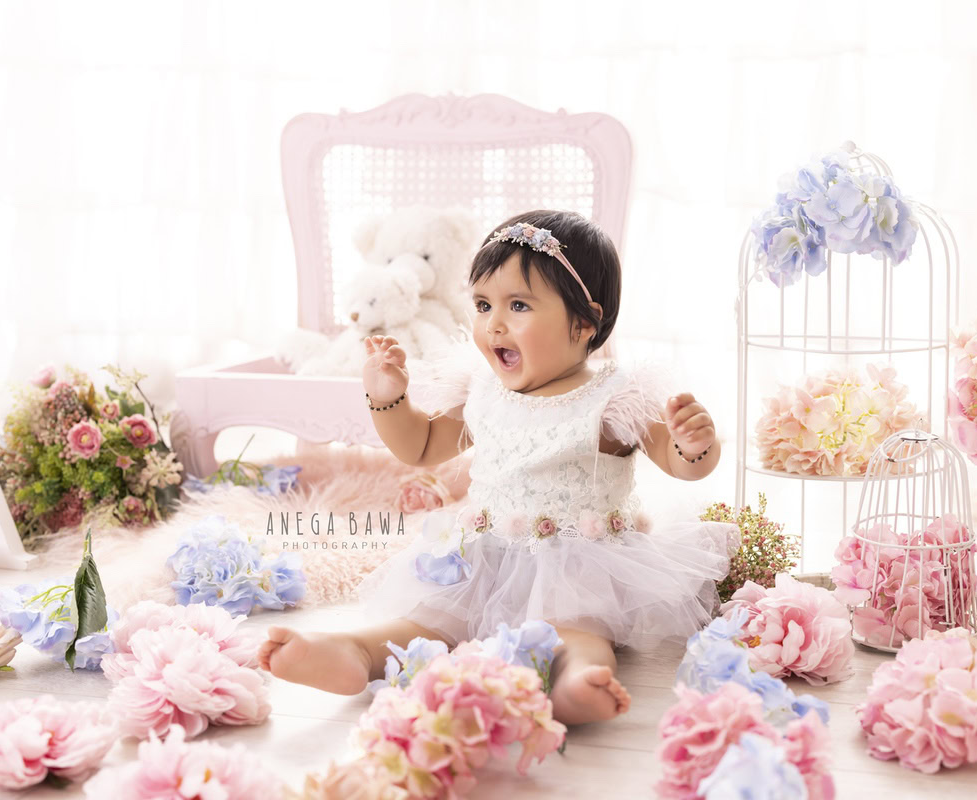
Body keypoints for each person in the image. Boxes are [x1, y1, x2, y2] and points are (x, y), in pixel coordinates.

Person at [259, 210, 740, 725]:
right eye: (484, 305)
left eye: (518, 306)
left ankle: (577, 681)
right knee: (428, 625)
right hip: (482, 561)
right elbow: (420, 447)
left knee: (574, 634)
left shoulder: (611, 398)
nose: (494, 324)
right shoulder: (481, 389)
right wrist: (389, 400)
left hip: (575, 568)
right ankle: (353, 652)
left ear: (583, 322)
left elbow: (678, 461)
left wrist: (694, 445)